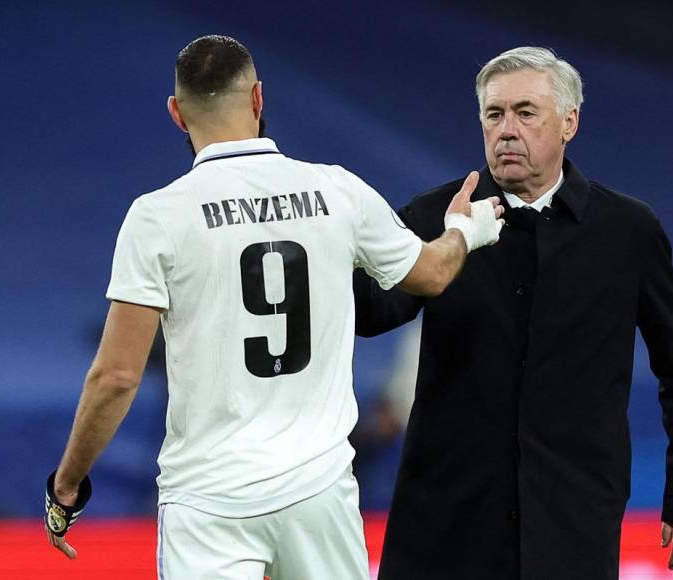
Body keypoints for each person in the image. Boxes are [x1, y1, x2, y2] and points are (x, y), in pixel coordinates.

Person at [42, 35, 504, 579]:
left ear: (176, 114)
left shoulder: (158, 217)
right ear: (259, 99)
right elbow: (430, 273)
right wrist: (464, 233)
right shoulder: (336, 190)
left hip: (210, 501)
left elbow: (117, 376)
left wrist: (67, 485)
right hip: (319, 490)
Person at [353, 46, 673, 579]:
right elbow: (373, 314)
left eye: (526, 113)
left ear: (568, 122)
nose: (507, 130)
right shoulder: (438, 216)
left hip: (570, 525)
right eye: (494, 114)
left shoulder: (626, 231)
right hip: (445, 527)